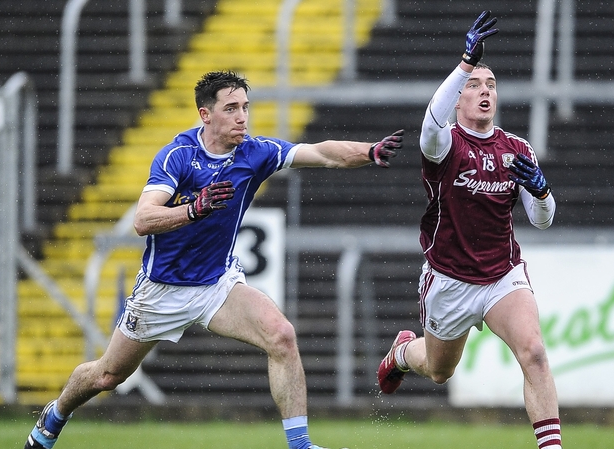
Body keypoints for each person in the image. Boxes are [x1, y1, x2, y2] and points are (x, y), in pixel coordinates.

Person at [24, 70, 404, 449]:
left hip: (216, 284)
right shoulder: (178, 156)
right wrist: (192, 210)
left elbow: (321, 152)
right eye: (231, 108)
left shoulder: (255, 153)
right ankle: (55, 414)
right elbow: (143, 220)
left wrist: (367, 151)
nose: (242, 117)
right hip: (162, 289)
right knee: (107, 376)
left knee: (281, 335)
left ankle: (300, 445)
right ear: (206, 115)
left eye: (245, 107)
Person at [376, 11, 563, 449]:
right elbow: (429, 124)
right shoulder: (445, 144)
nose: (484, 91)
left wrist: (542, 191)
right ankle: (402, 352)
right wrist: (465, 62)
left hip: (502, 275)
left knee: (534, 353)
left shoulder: (517, 148)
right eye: (474, 85)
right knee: (440, 370)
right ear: (457, 99)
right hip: (450, 280)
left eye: (491, 84)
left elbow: (542, 219)